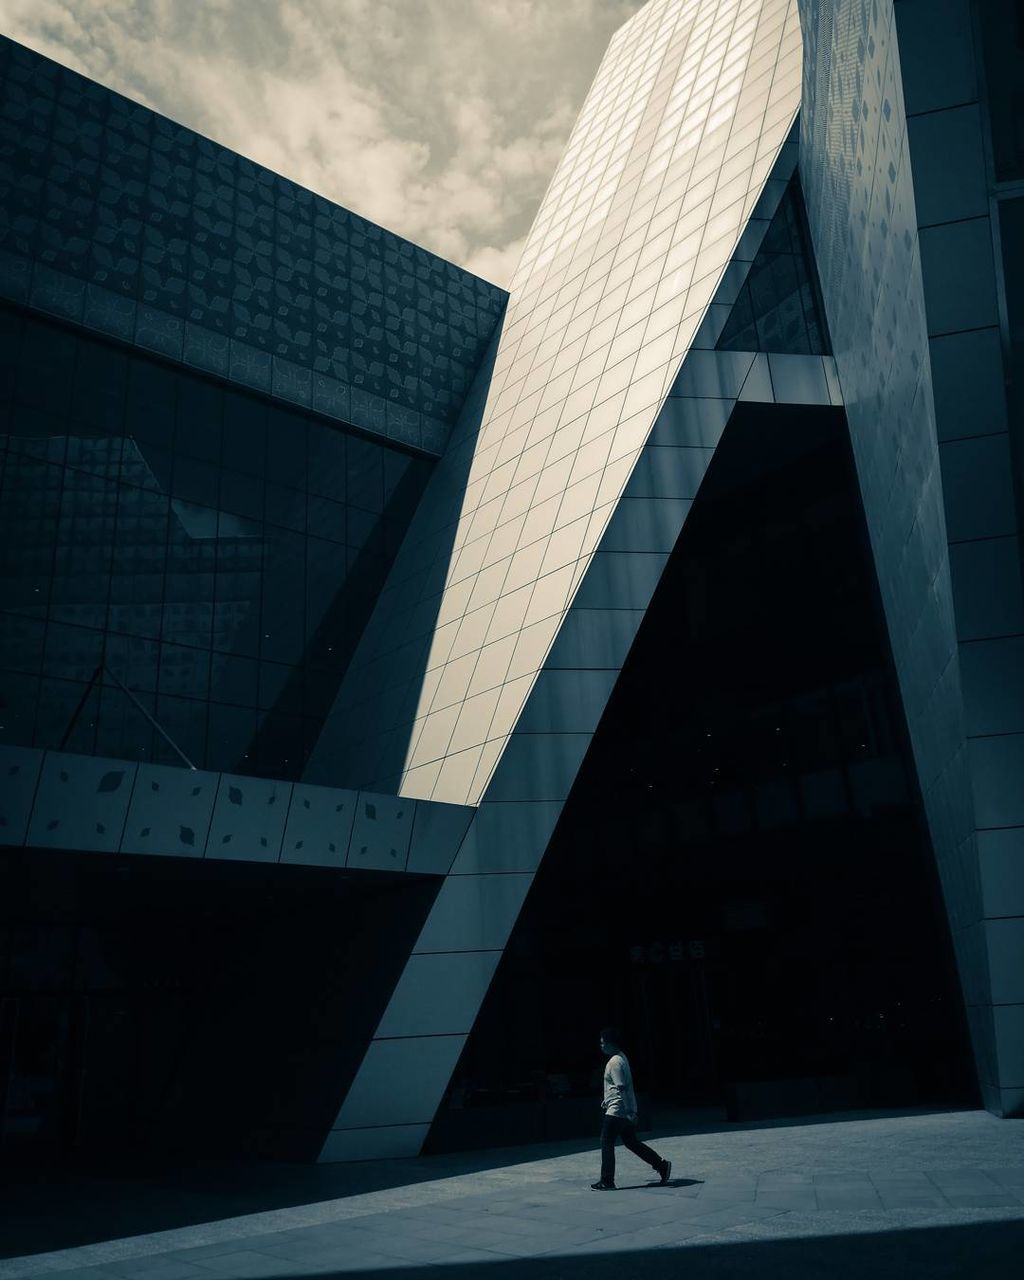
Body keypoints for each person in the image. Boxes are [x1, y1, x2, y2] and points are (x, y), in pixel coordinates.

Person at [592, 1027, 671, 1190]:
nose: (600, 1045)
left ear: (610, 1043)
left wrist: (629, 1112)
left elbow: (621, 1088)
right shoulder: (622, 1058)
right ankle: (661, 1165)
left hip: (617, 1111)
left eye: (602, 1042)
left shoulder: (614, 1062)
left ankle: (607, 1180)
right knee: (631, 1142)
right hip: (622, 1109)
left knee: (606, 1141)